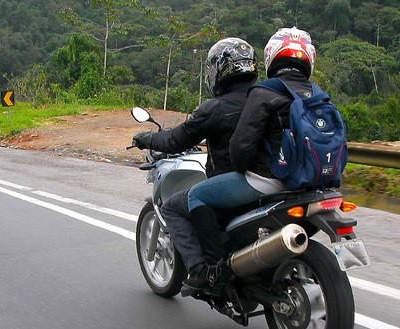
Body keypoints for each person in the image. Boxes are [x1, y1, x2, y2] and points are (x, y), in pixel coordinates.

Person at [184, 26, 318, 292]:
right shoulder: (316, 94)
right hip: (313, 184)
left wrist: (243, 167)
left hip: (271, 180)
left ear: (271, 57)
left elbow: (241, 148)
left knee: (195, 196)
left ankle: (212, 272)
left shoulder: (264, 93)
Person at [132, 37, 258, 292]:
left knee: (174, 207)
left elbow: (177, 139)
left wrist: (147, 139)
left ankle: (203, 272)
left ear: (220, 70)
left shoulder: (216, 108)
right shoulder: (264, 98)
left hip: (237, 184)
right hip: (272, 181)